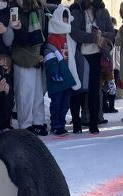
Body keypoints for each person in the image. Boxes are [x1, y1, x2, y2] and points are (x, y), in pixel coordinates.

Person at [69, 0, 115, 134]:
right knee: (77, 90)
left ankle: (94, 123)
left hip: (97, 56)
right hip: (80, 56)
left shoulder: (103, 11)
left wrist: (102, 36)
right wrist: (92, 38)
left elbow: (112, 32)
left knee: (95, 91)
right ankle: (76, 123)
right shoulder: (76, 11)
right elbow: (74, 33)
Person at [11, 0, 48, 135]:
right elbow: (16, 39)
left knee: (38, 93)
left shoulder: (38, 9)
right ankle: (25, 124)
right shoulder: (14, 8)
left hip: (36, 55)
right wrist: (19, 29)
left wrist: (42, 52)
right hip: (22, 56)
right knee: (24, 93)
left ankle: (38, 122)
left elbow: (43, 33)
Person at [44, 5, 81, 136]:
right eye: (63, 19)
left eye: (67, 20)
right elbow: (49, 56)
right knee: (57, 101)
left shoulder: (68, 37)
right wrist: (54, 71)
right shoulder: (52, 38)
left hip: (67, 75)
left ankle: (61, 122)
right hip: (57, 76)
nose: (65, 22)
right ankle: (56, 125)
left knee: (65, 102)